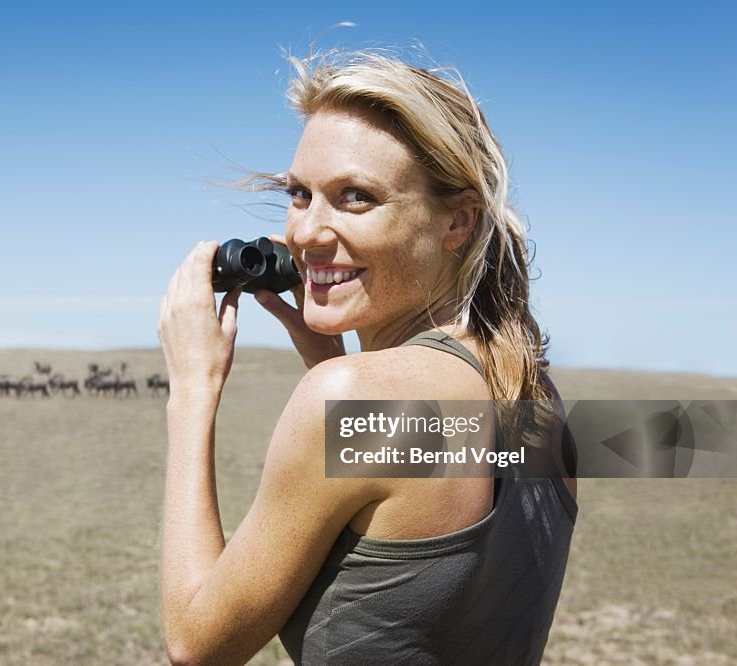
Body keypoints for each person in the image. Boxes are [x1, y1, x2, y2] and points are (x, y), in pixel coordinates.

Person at [157, 49, 578, 665]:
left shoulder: (353, 400)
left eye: (355, 197)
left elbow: (196, 646)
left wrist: (192, 389)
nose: (305, 233)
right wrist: (327, 356)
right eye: (300, 194)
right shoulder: (532, 389)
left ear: (458, 221)